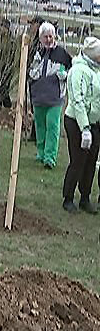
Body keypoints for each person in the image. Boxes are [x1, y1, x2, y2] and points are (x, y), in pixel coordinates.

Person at [62, 37, 100, 214]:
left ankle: (85, 197)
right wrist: (84, 128)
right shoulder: (78, 70)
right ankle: (68, 198)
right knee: (78, 160)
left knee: (91, 161)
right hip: (76, 122)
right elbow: (77, 100)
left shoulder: (97, 70)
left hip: (94, 123)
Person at [28, 22, 72, 170]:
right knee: (40, 126)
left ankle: (50, 157)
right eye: (45, 36)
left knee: (52, 126)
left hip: (55, 99)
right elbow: (28, 70)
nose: (48, 39)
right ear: (40, 38)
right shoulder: (36, 52)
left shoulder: (62, 53)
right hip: (38, 97)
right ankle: (40, 153)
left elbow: (72, 70)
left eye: (50, 36)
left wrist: (65, 75)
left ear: (55, 36)